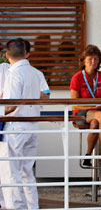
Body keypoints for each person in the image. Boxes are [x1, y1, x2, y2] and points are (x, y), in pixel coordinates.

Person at [0, 38, 43, 209]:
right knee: (27, 173)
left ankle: (16, 207)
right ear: (25, 53)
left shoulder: (14, 74)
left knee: (11, 173)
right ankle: (32, 206)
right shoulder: (34, 72)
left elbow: (11, 105)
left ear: (7, 55)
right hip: (32, 125)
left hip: (16, 127)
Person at [70, 44, 101, 167]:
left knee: (95, 123)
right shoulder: (77, 77)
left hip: (98, 112)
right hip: (81, 113)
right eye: (90, 59)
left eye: (96, 59)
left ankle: (87, 156)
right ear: (84, 61)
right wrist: (94, 107)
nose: (93, 62)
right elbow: (74, 104)